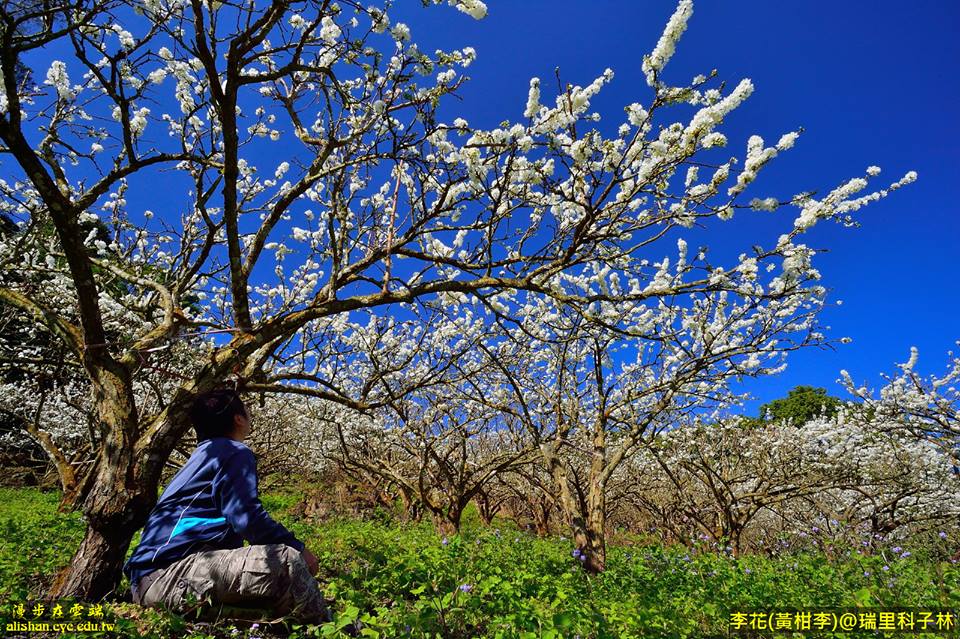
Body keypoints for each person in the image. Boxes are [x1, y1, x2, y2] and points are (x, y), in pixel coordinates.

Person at [123, 388, 329, 624]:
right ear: (238, 418)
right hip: (170, 576)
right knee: (286, 560)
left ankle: (287, 621)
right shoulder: (233, 451)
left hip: (151, 583)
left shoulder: (203, 457)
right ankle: (328, 627)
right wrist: (300, 549)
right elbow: (246, 517)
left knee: (271, 600)